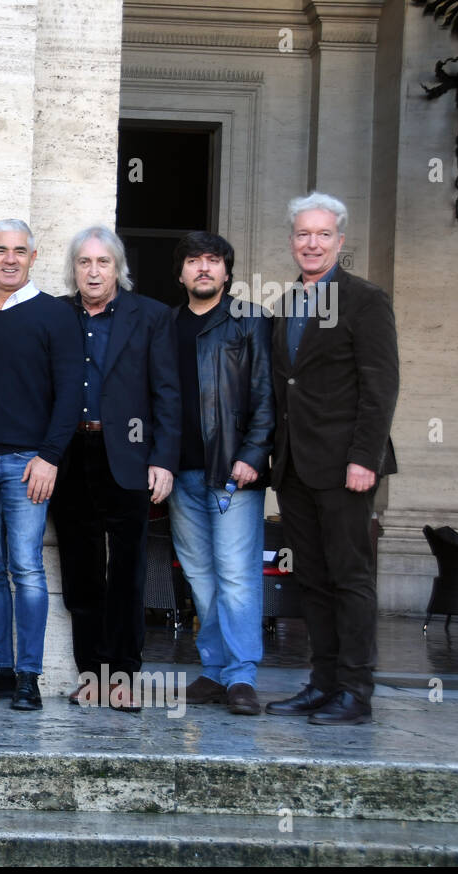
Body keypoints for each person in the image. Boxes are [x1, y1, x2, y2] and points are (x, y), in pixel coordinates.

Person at [264, 193, 399, 726]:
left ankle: (355, 692)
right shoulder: (287, 304)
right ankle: (322, 683)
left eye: (322, 234)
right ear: (292, 240)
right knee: (312, 580)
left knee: (350, 577)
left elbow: (380, 385)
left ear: (340, 241)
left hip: (347, 466)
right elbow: (284, 385)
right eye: (302, 234)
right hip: (294, 466)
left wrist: (364, 456)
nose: (311, 243)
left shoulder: (366, 300)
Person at [0, 220, 81, 711]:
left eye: (19, 251)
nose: (9, 259)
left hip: (28, 464)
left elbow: (71, 393)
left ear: (33, 256)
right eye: (0, 250)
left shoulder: (54, 315)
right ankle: (0, 669)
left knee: (26, 568)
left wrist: (50, 457)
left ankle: (30, 677)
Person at [50, 225, 180, 712]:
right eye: (84, 262)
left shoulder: (151, 316)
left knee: (126, 571)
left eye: (103, 262)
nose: (93, 270)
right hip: (70, 457)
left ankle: (123, 676)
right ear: (74, 269)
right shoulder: (57, 314)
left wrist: (164, 459)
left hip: (127, 455)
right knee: (81, 572)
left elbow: (168, 393)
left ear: (118, 268)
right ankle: (92, 675)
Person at [166, 231, 274, 716]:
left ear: (227, 272)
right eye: (194, 261)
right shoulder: (165, 325)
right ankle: (214, 670)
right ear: (182, 272)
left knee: (236, 576)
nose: (204, 268)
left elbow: (267, 396)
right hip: (180, 473)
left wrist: (252, 454)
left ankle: (242, 676)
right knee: (200, 576)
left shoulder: (249, 321)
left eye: (213, 261)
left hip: (232, 472)